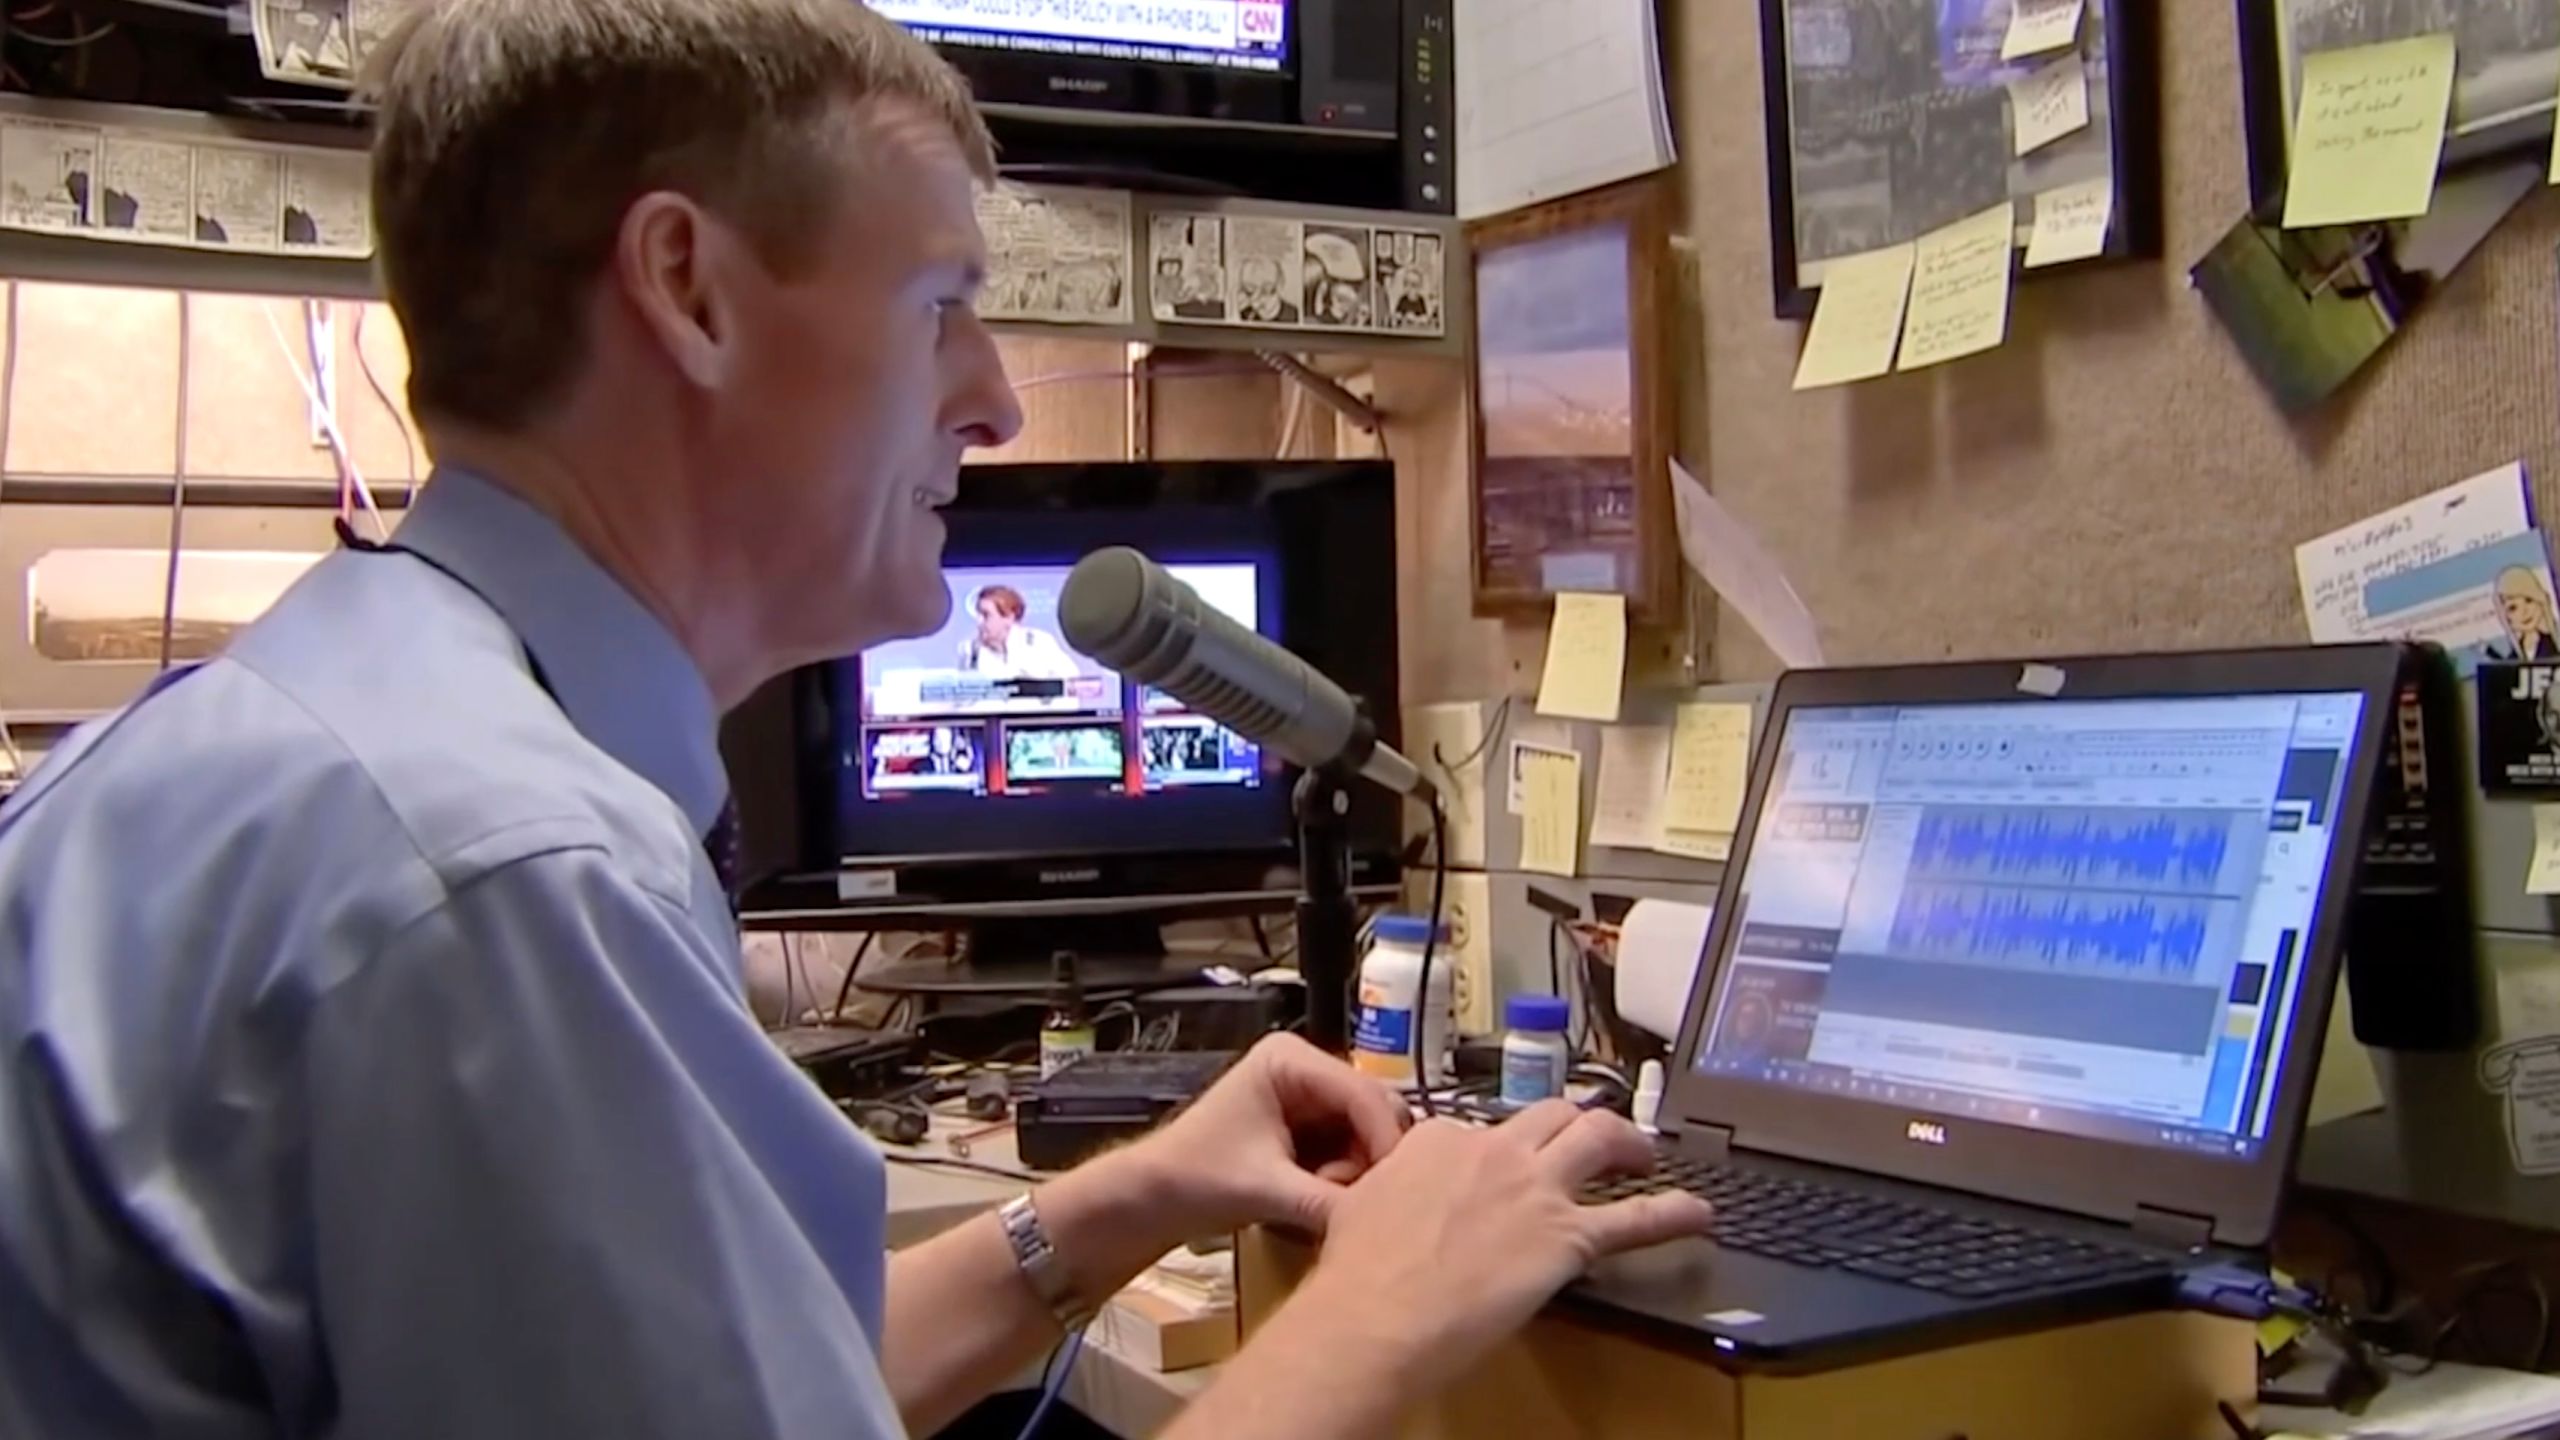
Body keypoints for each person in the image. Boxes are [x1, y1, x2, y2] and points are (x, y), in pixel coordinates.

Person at [0, 2, 1709, 1437]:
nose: (985, 395)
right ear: (689, 289)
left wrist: (1112, 1207)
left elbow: (727, 1388)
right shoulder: (505, 874)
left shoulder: (339, 720)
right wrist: (1392, 1310)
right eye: (943, 306)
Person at [957, 581, 1081, 681]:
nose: (979, 622)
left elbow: (1072, 680)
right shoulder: (969, 649)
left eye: (986, 615)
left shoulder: (1038, 642)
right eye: (978, 614)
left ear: (1009, 617)